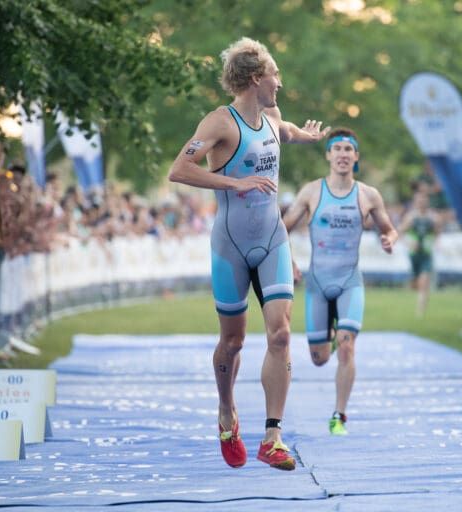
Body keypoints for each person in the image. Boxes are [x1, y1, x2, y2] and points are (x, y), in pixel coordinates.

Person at [168, 37, 330, 471]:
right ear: (257, 78)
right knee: (234, 341)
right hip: (230, 247)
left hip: (273, 241)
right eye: (275, 75)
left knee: (280, 334)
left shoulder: (273, 118)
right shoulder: (220, 123)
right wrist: (234, 183)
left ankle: (272, 436)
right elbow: (179, 169)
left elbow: (287, 131)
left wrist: (308, 136)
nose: (280, 82)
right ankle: (226, 409)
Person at [282, 127, 397, 436]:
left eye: (349, 149)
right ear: (328, 155)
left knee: (347, 348)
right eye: (338, 149)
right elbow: (282, 229)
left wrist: (388, 239)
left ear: (356, 157)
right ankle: (333, 330)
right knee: (319, 359)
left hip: (349, 282)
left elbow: (389, 228)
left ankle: (339, 416)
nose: (343, 154)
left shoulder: (368, 195)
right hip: (318, 284)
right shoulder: (311, 192)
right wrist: (290, 261)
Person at [398, 187, 439, 316]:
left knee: (424, 282)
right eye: (419, 199)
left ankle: (420, 312)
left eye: (424, 199)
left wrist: (434, 242)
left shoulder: (433, 217)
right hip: (413, 254)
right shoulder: (411, 217)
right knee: (415, 284)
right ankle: (415, 284)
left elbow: (437, 234)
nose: (422, 201)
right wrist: (409, 243)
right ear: (415, 201)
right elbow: (399, 233)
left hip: (426, 254)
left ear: (427, 201)